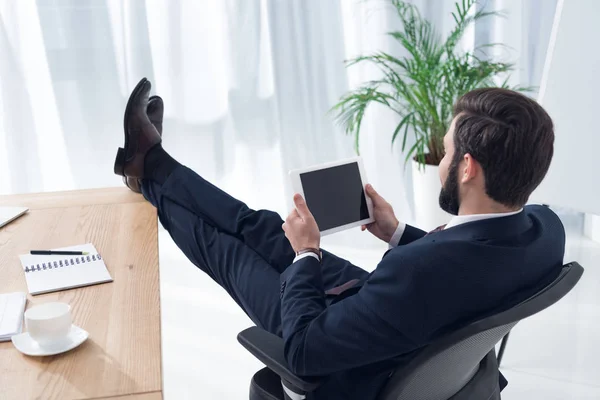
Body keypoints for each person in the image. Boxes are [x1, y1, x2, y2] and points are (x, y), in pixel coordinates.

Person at [114, 78, 564, 400]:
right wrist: (399, 233)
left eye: (445, 152)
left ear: (467, 169)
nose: (441, 161)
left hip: (336, 348)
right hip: (390, 314)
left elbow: (304, 351)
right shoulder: (545, 232)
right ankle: (153, 163)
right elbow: (465, 263)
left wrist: (307, 255)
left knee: (226, 250)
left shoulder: (417, 273)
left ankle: (147, 169)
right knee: (263, 225)